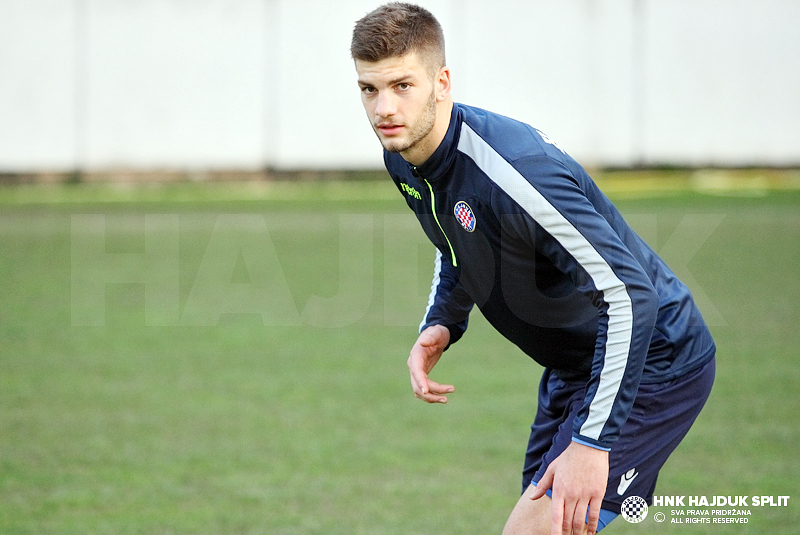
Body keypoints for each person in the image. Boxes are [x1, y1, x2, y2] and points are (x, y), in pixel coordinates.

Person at [350, 3, 716, 534]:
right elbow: (454, 234)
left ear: (441, 82)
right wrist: (442, 321)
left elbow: (630, 297)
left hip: (656, 362)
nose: (384, 107)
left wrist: (594, 442)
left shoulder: (516, 173)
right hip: (577, 369)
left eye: (402, 85)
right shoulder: (403, 151)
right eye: (369, 89)